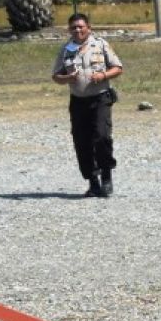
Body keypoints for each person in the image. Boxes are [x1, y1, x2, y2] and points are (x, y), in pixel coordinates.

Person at [51, 13, 123, 198]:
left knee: (101, 137)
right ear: (69, 30)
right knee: (82, 142)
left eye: (81, 26)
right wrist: (68, 78)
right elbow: (56, 76)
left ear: (88, 28)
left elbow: (118, 67)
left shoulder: (100, 44)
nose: (77, 30)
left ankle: (106, 177)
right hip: (78, 101)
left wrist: (103, 76)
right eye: (73, 27)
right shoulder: (66, 49)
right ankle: (93, 183)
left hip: (100, 98)